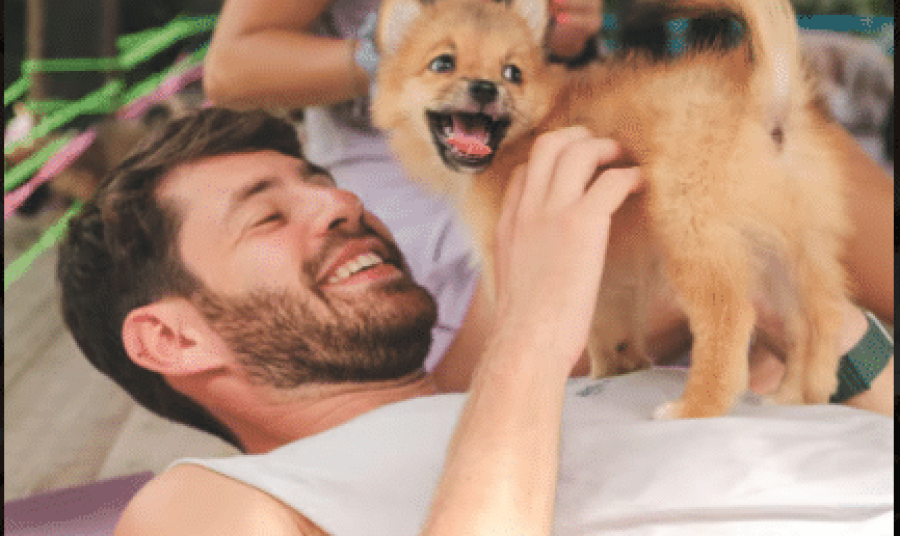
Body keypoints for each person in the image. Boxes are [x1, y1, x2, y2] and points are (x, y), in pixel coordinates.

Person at [57, 108, 892, 535]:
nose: (343, 203)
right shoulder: (208, 503)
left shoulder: (587, 389)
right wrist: (535, 321)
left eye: (323, 182)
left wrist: (805, 309)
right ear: (171, 338)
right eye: (267, 217)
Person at [203, 0, 605, 384]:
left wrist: (569, 42)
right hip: (408, 198)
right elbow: (231, 69)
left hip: (515, 167)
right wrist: (410, 47)